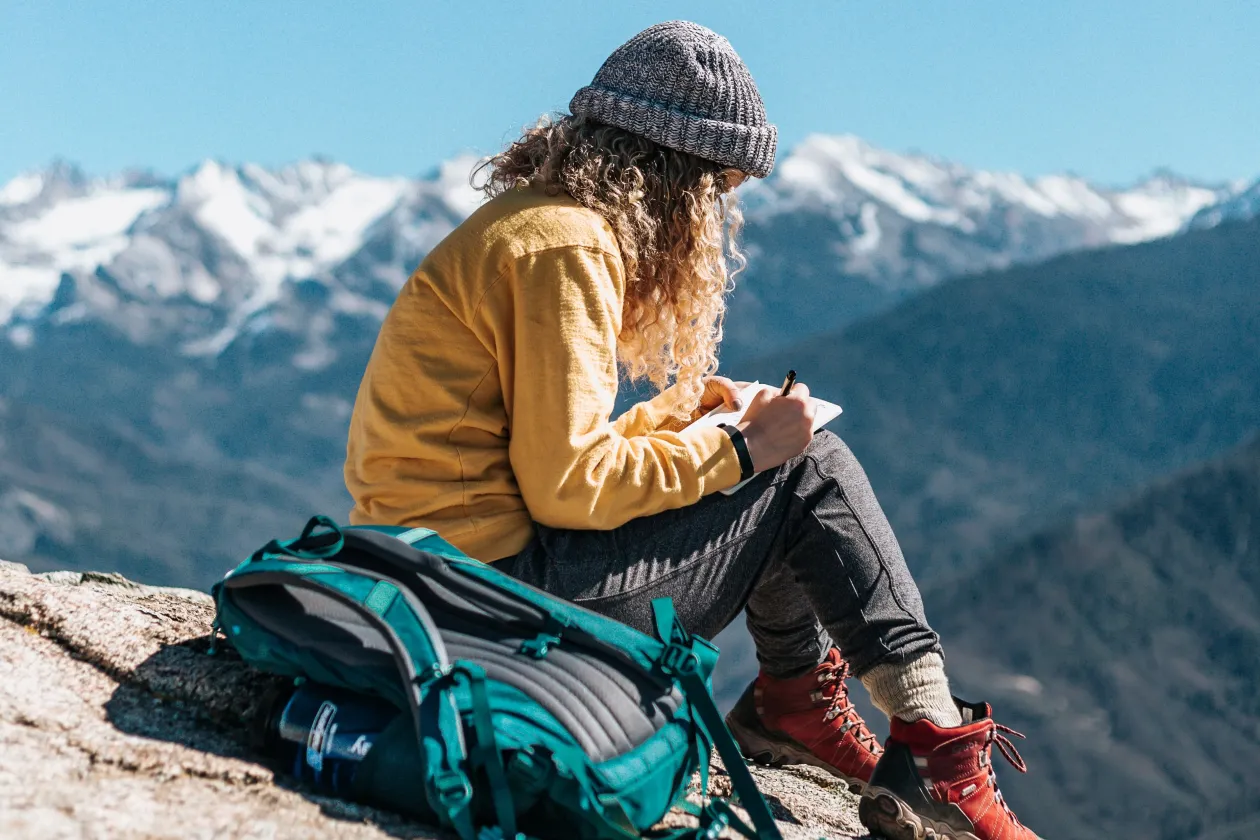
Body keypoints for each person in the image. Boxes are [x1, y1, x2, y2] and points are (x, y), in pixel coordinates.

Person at [345, 20, 1040, 840]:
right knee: (806, 466)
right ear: (675, 177)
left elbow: (536, 454)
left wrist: (686, 417)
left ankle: (796, 703)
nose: (716, 215)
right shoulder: (567, 249)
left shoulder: (532, 225)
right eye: (717, 190)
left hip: (437, 577)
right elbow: (568, 488)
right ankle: (931, 749)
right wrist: (742, 448)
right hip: (490, 602)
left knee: (779, 465)